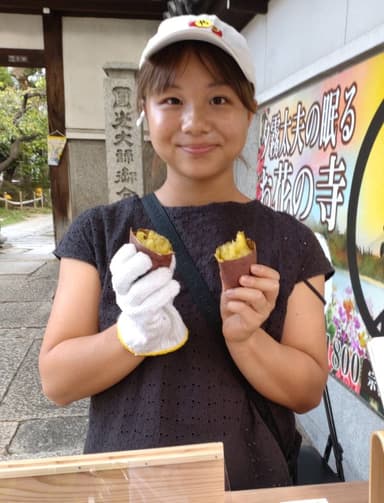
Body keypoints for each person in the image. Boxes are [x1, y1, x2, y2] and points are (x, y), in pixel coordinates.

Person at [39, 13, 334, 491]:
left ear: (248, 110)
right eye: (172, 100)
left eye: (218, 99)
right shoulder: (99, 231)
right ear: (145, 112)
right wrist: (130, 335)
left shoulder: (290, 239)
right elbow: (56, 380)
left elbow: (305, 391)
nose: (195, 122)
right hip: (125, 488)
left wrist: (248, 339)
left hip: (249, 489)